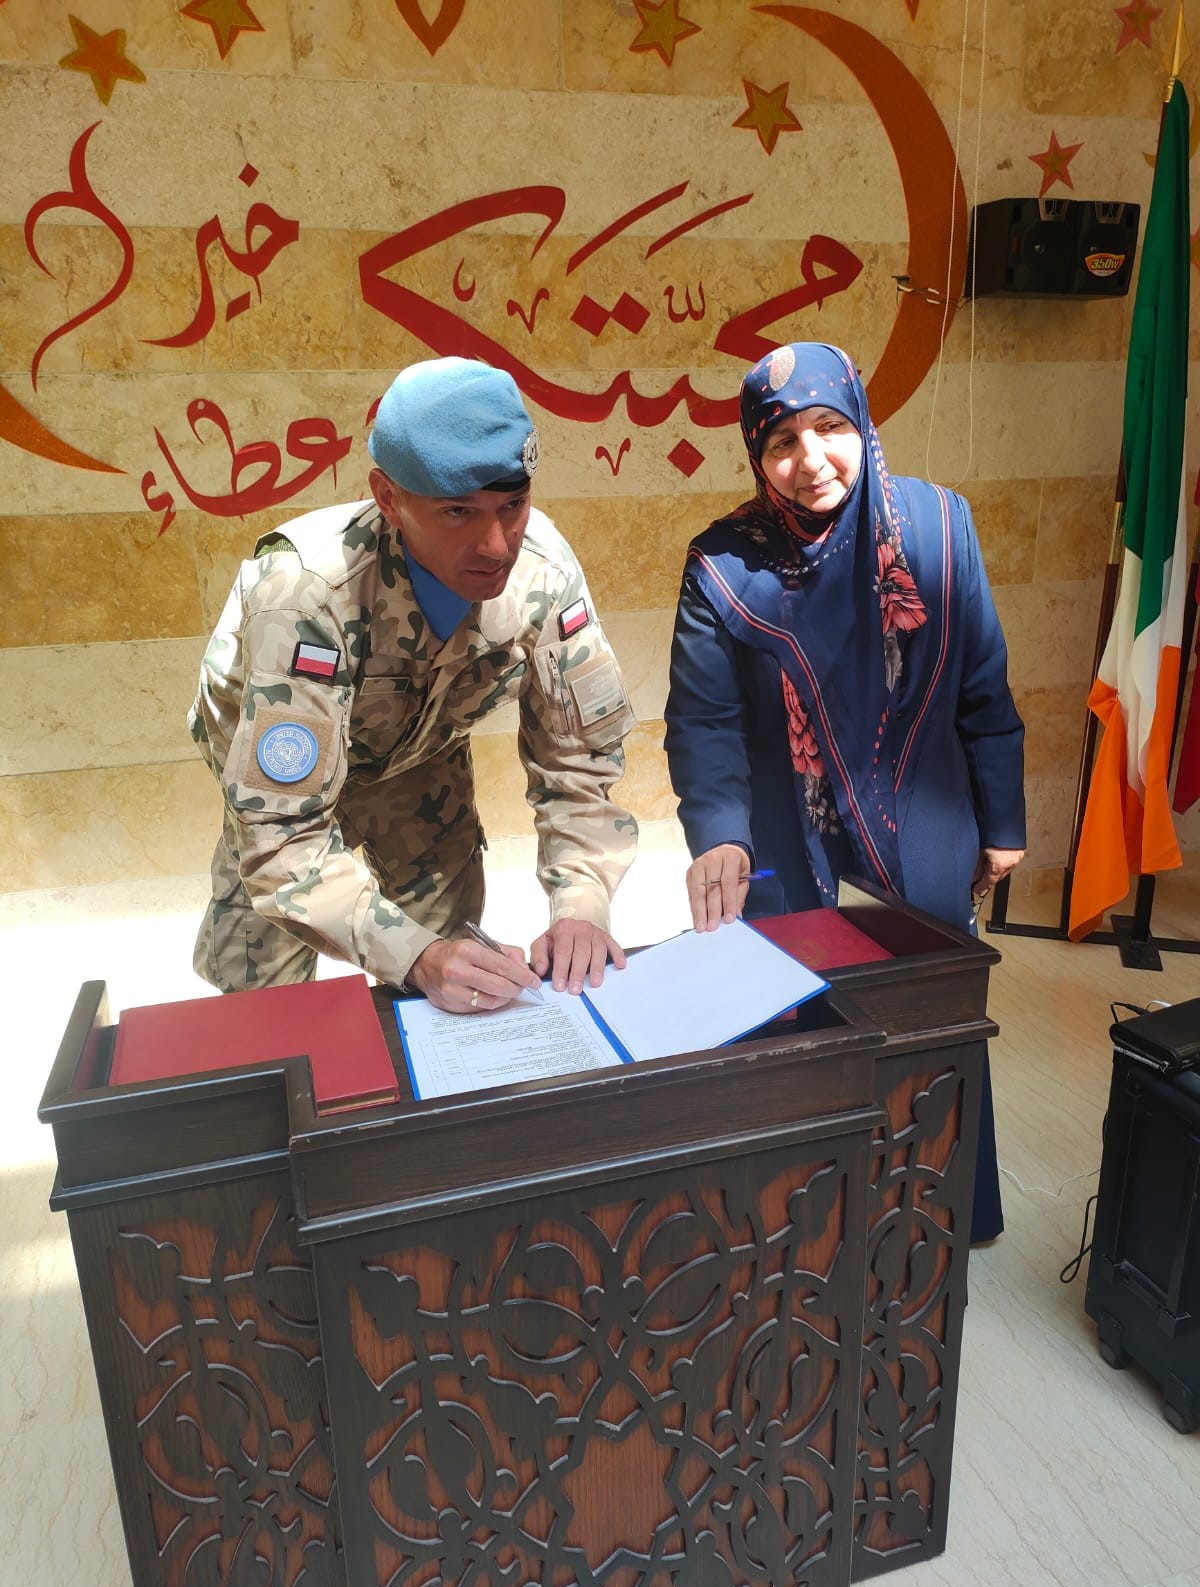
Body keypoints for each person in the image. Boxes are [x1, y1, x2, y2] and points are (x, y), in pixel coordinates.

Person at [664, 341, 1025, 1242]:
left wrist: (1003, 820)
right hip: (792, 835)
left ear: (862, 423)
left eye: (830, 427)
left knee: (929, 1020)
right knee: (799, 1023)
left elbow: (983, 683)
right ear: (756, 455)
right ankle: (810, 1229)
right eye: (781, 441)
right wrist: (720, 833)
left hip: (924, 824)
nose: (810, 458)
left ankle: (938, 1217)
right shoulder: (725, 565)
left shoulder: (939, 527)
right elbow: (704, 722)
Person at [189, 357, 637, 1013]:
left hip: (420, 763)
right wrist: (414, 957)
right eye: (458, 511)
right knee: (260, 1001)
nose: (497, 545)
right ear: (388, 498)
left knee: (454, 971)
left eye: (512, 506)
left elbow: (579, 761)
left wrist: (582, 904)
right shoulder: (307, 591)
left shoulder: (542, 572)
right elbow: (281, 834)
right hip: (280, 784)